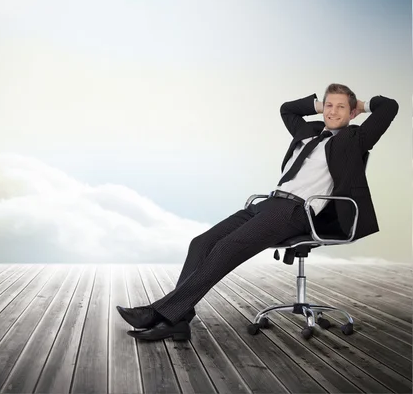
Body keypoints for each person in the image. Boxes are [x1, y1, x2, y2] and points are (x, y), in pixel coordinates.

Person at [116, 83, 399, 341]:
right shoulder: (308, 132)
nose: (333, 111)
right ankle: (178, 320)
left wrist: (360, 106)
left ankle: (160, 313)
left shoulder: (354, 139)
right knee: (201, 243)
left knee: (226, 248)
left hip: (298, 211)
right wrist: (320, 104)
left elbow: (390, 106)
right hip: (268, 202)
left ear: (352, 113)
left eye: (341, 107)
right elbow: (287, 110)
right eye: (329, 105)